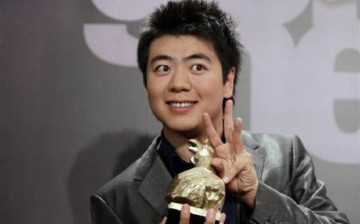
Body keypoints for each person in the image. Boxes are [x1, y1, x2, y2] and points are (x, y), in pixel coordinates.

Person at [90, 0, 350, 223]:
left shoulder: (284, 158)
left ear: (228, 79)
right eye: (163, 68)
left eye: (197, 67)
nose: (179, 84)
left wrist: (256, 194)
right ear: (146, 81)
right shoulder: (116, 200)